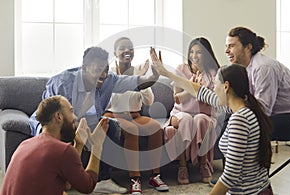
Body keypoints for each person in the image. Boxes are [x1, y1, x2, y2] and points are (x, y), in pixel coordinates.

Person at [29, 46, 160, 194]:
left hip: (85, 121)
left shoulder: (109, 80)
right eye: (98, 70)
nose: (103, 75)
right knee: (58, 134)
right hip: (54, 122)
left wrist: (154, 75)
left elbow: (140, 82)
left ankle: (102, 180)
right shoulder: (62, 83)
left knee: (111, 126)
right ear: (84, 68)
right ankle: (58, 182)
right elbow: (49, 116)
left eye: (106, 69)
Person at [149, 50, 274, 194]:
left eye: (215, 85)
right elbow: (199, 91)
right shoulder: (242, 108)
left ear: (225, 87)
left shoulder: (240, 119)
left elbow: (230, 177)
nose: (213, 88)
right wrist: (166, 72)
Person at [1, 95, 109, 195]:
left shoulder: (25, 144)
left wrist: (79, 145)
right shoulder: (63, 150)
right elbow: (88, 186)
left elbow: (67, 184)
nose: (75, 117)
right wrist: (97, 146)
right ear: (58, 116)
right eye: (71, 111)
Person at [103, 37, 169, 195]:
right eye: (122, 48)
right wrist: (130, 82)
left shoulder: (140, 71)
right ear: (115, 53)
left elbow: (149, 100)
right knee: (132, 130)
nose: (127, 51)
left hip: (135, 114)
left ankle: (155, 176)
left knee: (155, 128)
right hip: (114, 115)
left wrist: (141, 83)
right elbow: (105, 101)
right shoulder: (109, 73)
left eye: (130, 48)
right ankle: (135, 179)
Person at [225, 26, 290, 141]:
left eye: (232, 46)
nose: (227, 51)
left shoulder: (263, 68)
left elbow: (263, 110)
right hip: (276, 114)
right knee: (228, 120)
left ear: (248, 47)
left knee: (249, 126)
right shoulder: (243, 69)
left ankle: (256, 159)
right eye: (226, 46)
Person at [163, 37, 219, 184]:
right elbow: (177, 98)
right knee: (186, 120)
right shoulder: (182, 69)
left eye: (199, 52)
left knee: (201, 120)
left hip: (205, 114)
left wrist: (200, 90)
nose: (194, 55)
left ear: (206, 54)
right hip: (181, 112)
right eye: (192, 52)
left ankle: (203, 164)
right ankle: (182, 167)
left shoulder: (213, 72)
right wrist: (192, 88)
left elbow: (215, 100)